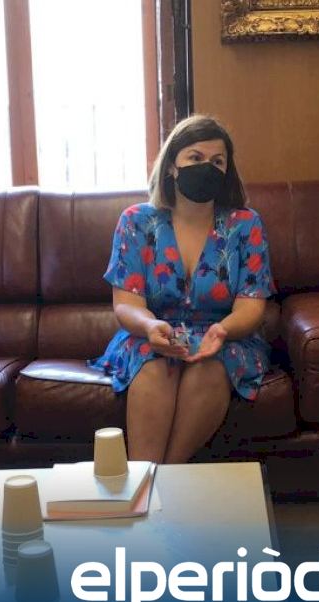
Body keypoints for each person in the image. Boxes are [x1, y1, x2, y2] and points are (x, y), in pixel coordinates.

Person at [91, 115, 275, 464]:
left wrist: (222, 331)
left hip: (226, 338)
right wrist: (150, 327)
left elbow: (251, 306)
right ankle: (146, 474)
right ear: (172, 165)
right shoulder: (136, 221)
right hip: (152, 334)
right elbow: (126, 304)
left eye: (217, 162)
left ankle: (166, 476)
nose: (207, 167)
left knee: (210, 367)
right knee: (154, 365)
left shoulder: (246, 225)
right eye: (195, 157)